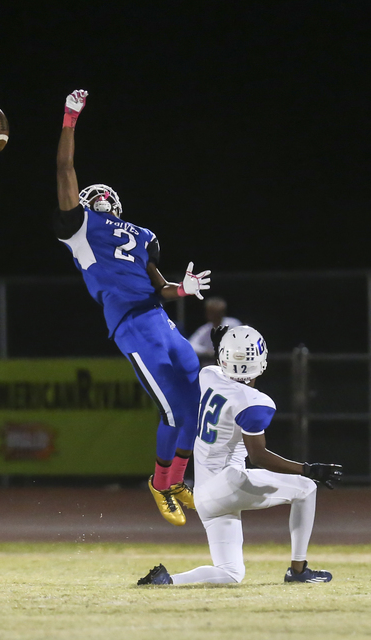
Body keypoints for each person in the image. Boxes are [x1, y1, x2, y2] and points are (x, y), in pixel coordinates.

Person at [54, 89, 211, 526]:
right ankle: (159, 484)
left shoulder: (142, 235)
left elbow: (161, 287)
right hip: (131, 326)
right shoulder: (79, 228)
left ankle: (177, 480)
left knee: (194, 405)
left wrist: (183, 289)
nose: (101, 201)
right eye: (95, 197)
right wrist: (70, 118)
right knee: (172, 410)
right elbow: (64, 168)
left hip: (160, 321)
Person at [138, 324, 343, 585]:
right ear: (261, 360)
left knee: (231, 574)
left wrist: (220, 353)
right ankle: (299, 570)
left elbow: (221, 373)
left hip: (204, 496)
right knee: (306, 488)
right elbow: (258, 456)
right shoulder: (255, 402)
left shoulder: (208, 375)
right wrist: (308, 469)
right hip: (228, 482)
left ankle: (167, 580)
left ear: (223, 356)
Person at [188, 296, 240, 363]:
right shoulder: (205, 329)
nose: (213, 315)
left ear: (222, 312)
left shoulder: (233, 325)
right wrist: (207, 352)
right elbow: (191, 345)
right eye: (210, 312)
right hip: (211, 365)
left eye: (216, 313)